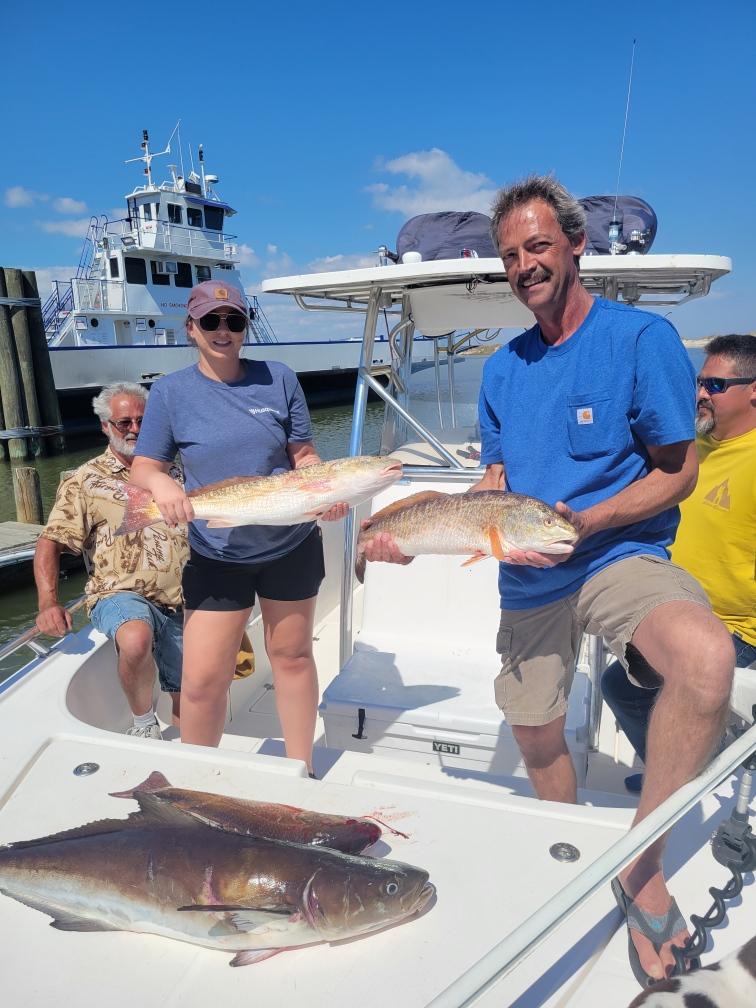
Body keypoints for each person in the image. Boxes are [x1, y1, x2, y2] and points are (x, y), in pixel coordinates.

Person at [361, 176, 735, 987]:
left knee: (705, 659)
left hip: (611, 553)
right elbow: (494, 478)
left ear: (575, 246)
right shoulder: (502, 371)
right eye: (510, 255)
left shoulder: (642, 341)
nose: (525, 264)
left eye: (537, 246)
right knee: (535, 730)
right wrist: (409, 530)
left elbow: (676, 473)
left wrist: (592, 523)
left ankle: (642, 865)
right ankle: (561, 841)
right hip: (527, 566)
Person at [129, 280, 347, 775]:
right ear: (191, 328)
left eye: (234, 320)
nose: (223, 330)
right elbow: (144, 467)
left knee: (291, 656)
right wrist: (163, 487)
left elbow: (304, 454)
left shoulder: (280, 378)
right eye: (211, 321)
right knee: (203, 679)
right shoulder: (170, 393)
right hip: (217, 552)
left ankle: (300, 770)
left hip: (289, 542)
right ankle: (195, 781)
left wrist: (324, 492)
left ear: (245, 326)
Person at [602, 334, 756, 789]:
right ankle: (681, 779)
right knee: (622, 687)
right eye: (699, 382)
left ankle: (682, 784)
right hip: (671, 609)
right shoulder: (690, 449)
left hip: (734, 629)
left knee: (624, 689)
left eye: (715, 384)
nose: (700, 393)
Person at [34, 382, 188, 738]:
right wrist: (47, 601)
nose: (134, 429)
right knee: (135, 638)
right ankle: (144, 723)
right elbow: (50, 541)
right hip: (118, 592)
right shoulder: (84, 480)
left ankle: (184, 755)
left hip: (183, 598)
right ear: (105, 426)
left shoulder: (177, 472)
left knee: (189, 704)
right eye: (124, 423)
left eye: (142, 421)